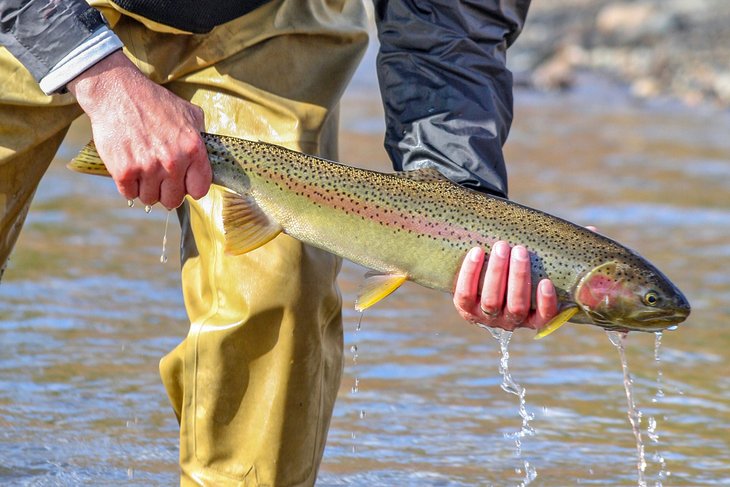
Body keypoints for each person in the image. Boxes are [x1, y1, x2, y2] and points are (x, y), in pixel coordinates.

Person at [0, 0, 557, 484]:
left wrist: (461, 200)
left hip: (269, 18)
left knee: (281, 292)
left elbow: (453, 17)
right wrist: (96, 70)